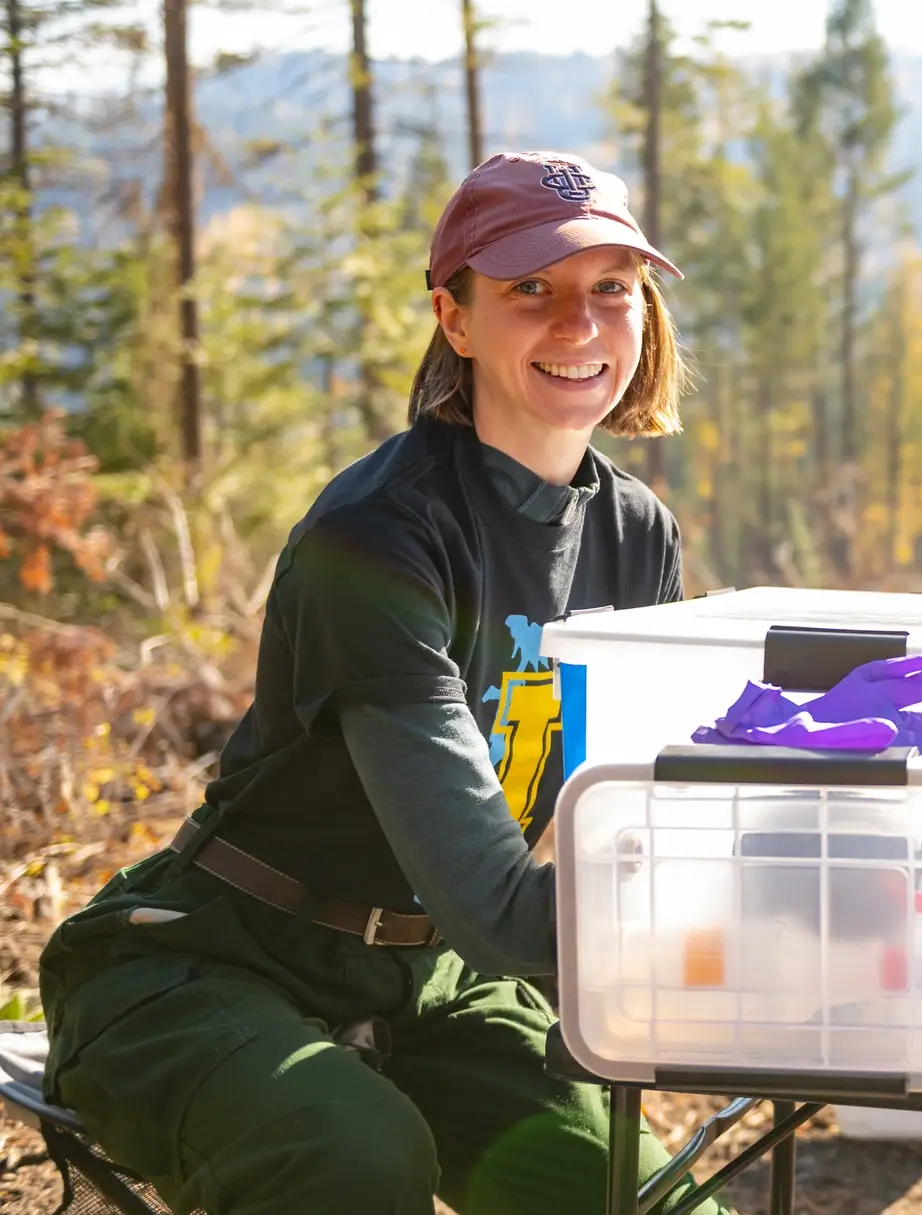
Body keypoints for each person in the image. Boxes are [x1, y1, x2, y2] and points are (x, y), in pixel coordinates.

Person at [36, 151, 726, 1215]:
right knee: (353, 1160)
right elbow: (500, 903)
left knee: (642, 1199)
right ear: (455, 319)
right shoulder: (379, 536)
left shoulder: (637, 539)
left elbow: (646, 816)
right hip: (215, 964)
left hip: (435, 983)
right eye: (529, 291)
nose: (579, 325)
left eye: (611, 290)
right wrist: (731, 923)